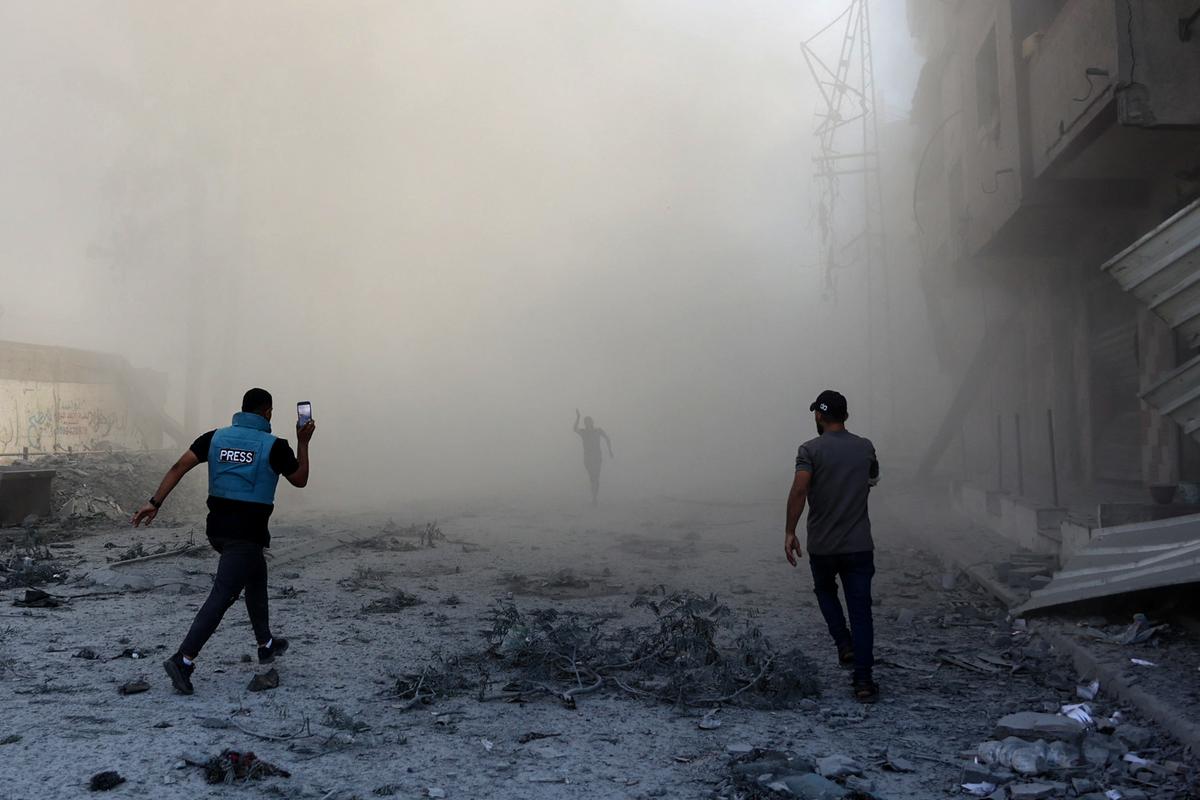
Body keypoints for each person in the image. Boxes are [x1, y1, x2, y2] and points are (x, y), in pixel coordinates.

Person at [131, 388, 315, 695]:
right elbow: (300, 479)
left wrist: (155, 502)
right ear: (267, 413)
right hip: (245, 533)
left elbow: (179, 466)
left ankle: (265, 644)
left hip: (217, 529)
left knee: (256, 573)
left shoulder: (214, 438)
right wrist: (303, 442)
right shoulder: (274, 446)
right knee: (223, 594)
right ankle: (183, 660)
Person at [784, 389, 880, 703]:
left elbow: (800, 490)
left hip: (823, 546)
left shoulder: (809, 450)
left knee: (825, 591)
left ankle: (843, 642)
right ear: (846, 416)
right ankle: (864, 681)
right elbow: (873, 479)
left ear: (819, 416)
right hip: (858, 545)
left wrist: (790, 531)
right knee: (862, 612)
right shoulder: (865, 447)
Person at [573, 409, 613, 505]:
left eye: (589, 422)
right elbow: (575, 429)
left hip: (597, 457)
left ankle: (594, 497)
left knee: (596, 477)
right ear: (585, 424)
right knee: (592, 478)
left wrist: (610, 450)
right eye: (586, 423)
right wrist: (578, 417)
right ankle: (594, 496)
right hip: (588, 458)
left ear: (592, 422)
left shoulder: (598, 431)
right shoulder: (584, 432)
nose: (588, 424)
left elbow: (607, 438)